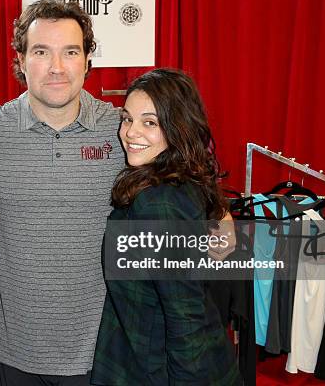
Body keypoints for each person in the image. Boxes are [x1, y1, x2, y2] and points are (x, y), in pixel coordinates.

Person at [0, 0, 124, 385]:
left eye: (70, 52)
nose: (57, 67)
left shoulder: (123, 131)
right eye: (41, 52)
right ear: (21, 60)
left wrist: (216, 212)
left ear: (88, 59)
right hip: (12, 352)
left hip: (103, 351)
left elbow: (184, 177)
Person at [91, 69, 241, 385]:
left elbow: (185, 317)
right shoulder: (173, 178)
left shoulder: (159, 204)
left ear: (177, 128)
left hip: (163, 369)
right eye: (127, 118)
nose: (130, 132)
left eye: (150, 122)